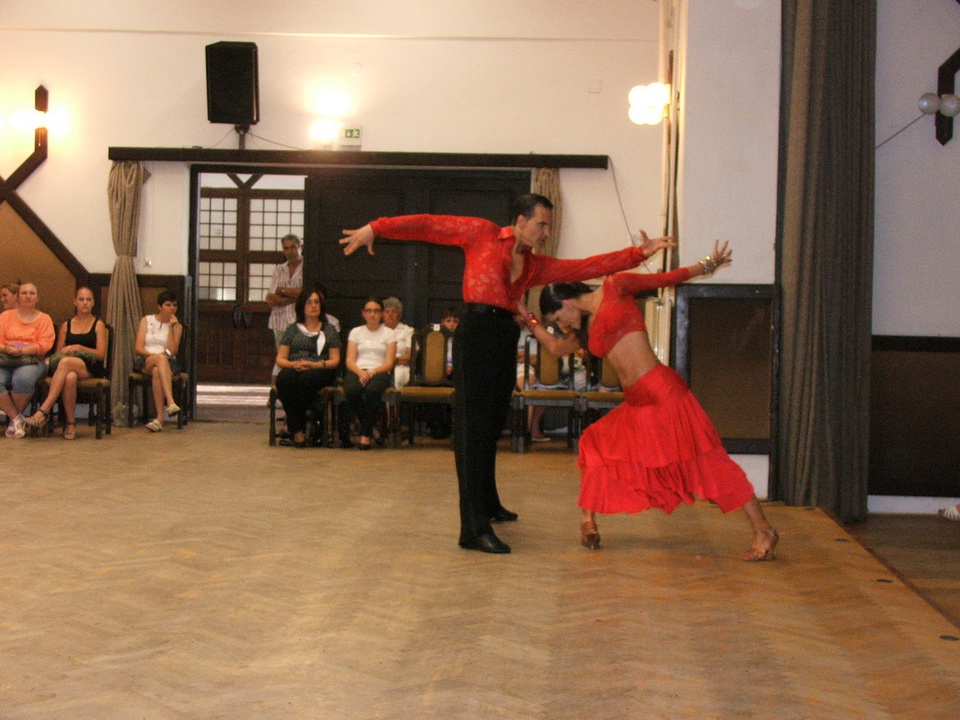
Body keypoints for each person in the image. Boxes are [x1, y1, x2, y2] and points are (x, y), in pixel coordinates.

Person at [340, 193, 674, 554]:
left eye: (549, 226)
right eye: (542, 224)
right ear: (521, 220)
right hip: (476, 333)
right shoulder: (481, 233)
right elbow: (429, 224)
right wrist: (376, 227)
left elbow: (584, 267)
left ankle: (488, 502)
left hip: (504, 336)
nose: (546, 232)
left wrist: (637, 254)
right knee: (471, 429)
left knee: (492, 423)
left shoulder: (534, 265)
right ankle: (473, 528)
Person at [518, 240, 779, 561]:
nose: (562, 326)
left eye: (558, 318)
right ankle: (588, 521)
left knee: (708, 462)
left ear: (566, 301)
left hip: (662, 393)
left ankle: (763, 529)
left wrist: (707, 264)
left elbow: (666, 279)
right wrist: (530, 321)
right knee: (595, 442)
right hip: (637, 403)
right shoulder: (587, 326)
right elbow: (556, 349)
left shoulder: (615, 287)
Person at [24, 286, 107, 440]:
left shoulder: (98, 325)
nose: (85, 303)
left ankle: (44, 411)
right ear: (75, 302)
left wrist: (80, 348)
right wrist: (67, 350)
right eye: (81, 299)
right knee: (69, 376)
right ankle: (70, 423)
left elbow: (101, 355)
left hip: (90, 367)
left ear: (93, 303)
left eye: (88, 299)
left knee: (66, 362)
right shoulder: (66, 325)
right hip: (67, 366)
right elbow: (57, 354)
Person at [274, 286, 342, 447]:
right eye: (309, 302)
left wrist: (313, 364)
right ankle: (299, 430)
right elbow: (280, 359)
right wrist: (294, 364)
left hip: (321, 369)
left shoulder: (329, 329)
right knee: (284, 378)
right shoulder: (292, 329)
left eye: (316, 302)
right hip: (296, 366)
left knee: (305, 380)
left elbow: (335, 360)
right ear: (302, 306)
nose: (313, 306)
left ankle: (294, 425)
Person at [0, 282, 55, 439]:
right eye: (24, 293)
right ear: (18, 297)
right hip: (6, 360)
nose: (28, 296)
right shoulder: (5, 317)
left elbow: (46, 344)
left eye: (32, 293)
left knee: (22, 378)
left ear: (38, 298)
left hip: (33, 361)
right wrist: (7, 348)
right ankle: (17, 419)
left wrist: (24, 350)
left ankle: (13, 422)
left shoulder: (44, 318)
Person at [343, 297, 397, 450]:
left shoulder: (389, 333)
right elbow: (349, 360)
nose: (372, 314)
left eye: (376, 311)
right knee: (352, 390)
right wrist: (361, 372)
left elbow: (389, 363)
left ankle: (365, 436)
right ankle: (372, 428)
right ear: (363, 313)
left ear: (381, 314)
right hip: (358, 370)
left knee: (372, 391)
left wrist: (372, 372)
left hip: (379, 371)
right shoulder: (356, 332)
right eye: (369, 311)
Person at [133, 290, 183, 432]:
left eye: (174, 305)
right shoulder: (146, 320)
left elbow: (173, 351)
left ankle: (160, 418)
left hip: (168, 361)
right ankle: (171, 402)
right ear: (159, 306)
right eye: (168, 305)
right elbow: (138, 348)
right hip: (146, 358)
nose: (172, 308)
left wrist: (172, 328)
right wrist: (154, 356)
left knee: (157, 371)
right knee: (159, 360)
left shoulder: (177, 326)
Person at [266, 234, 304, 379]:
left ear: (300, 247)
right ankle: (276, 390)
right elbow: (270, 299)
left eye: (293, 247)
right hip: (280, 321)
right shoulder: (279, 269)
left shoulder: (307, 267)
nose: (290, 251)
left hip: (301, 321)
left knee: (299, 357)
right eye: (286, 248)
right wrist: (294, 295)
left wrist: (282, 291)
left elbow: (306, 293)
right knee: (282, 358)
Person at [383, 296, 414, 389]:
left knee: (398, 375)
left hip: (401, 368)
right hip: (380, 366)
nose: (390, 314)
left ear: (399, 315)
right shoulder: (378, 330)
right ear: (382, 315)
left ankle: (395, 398)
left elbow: (410, 357)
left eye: (394, 311)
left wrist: (394, 360)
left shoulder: (407, 331)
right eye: (387, 311)